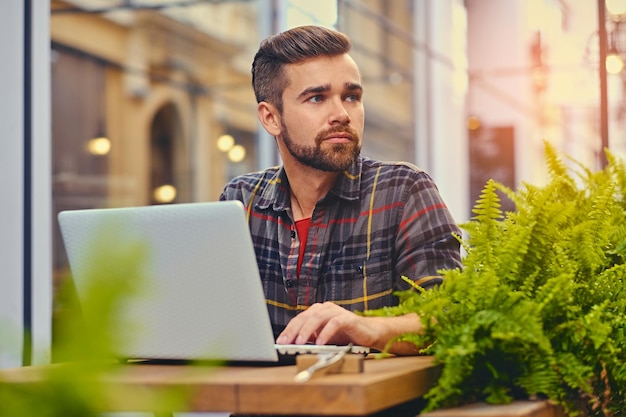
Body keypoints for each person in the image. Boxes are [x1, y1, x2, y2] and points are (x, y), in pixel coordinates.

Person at [220, 25, 462, 356]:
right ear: (271, 118)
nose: (342, 114)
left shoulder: (404, 191)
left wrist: (365, 328)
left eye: (351, 97)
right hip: (260, 402)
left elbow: (448, 320)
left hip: (365, 404)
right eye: (317, 98)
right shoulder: (241, 201)